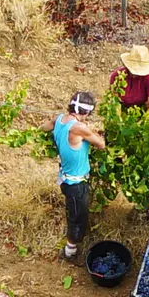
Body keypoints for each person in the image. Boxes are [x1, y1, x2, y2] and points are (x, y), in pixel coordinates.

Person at [55, 91, 106, 262]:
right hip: (76, 184)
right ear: (86, 112)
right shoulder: (79, 128)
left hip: (65, 178)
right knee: (78, 218)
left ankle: (72, 245)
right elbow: (101, 144)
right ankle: (70, 253)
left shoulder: (60, 119)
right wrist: (97, 134)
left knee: (73, 211)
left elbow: (44, 127)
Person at [112, 45, 149, 111]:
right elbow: (115, 102)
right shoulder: (117, 76)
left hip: (141, 110)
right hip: (122, 109)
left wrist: (143, 120)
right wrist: (119, 120)